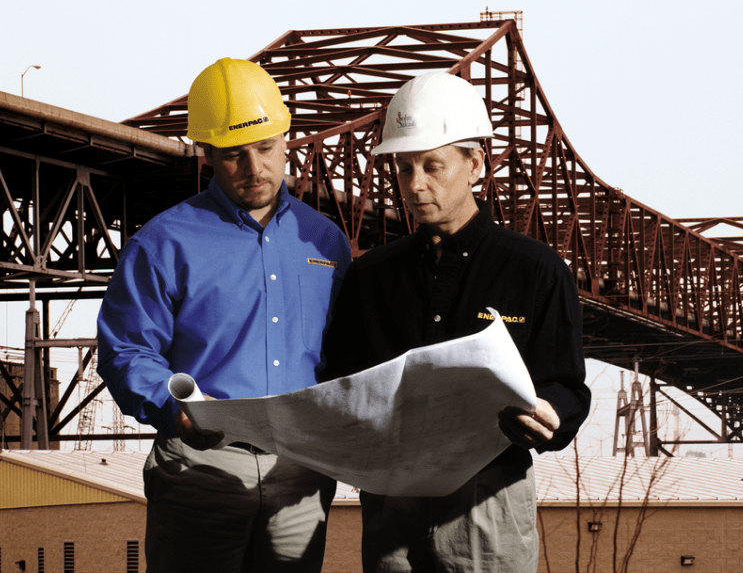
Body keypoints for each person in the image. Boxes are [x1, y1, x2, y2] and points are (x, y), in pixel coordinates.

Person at [318, 70, 592, 573]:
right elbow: (339, 383)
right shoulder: (369, 277)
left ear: (475, 164)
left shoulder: (535, 270)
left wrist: (551, 415)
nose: (415, 184)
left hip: (489, 499)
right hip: (390, 500)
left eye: (432, 165)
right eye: (404, 168)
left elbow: (568, 386)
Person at [97, 58, 352, 573]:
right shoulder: (163, 242)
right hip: (200, 468)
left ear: (287, 138)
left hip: (302, 469)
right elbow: (125, 351)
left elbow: (345, 352)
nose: (254, 169)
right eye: (234, 155)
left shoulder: (325, 240)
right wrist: (177, 407)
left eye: (265, 148)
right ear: (207, 152)